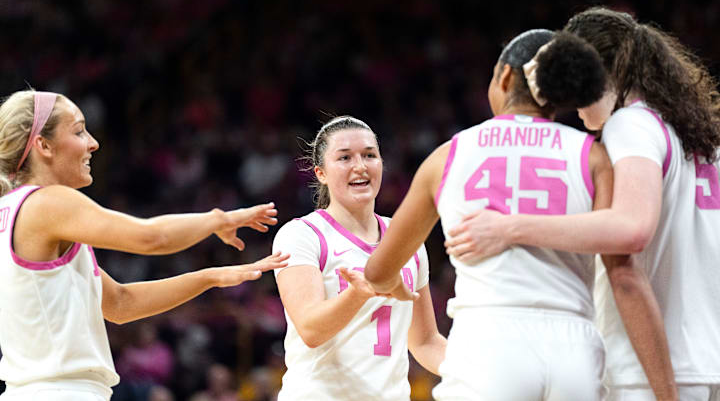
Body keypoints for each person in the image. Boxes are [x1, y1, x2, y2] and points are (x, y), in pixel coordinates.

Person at [444, 7, 720, 401]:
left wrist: (509, 227)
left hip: (651, 372)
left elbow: (632, 230)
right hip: (707, 362)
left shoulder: (631, 124)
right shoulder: (698, 137)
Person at [364, 29, 613, 400]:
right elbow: (617, 261)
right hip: (574, 342)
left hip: (489, 339)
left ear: (506, 77)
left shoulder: (448, 156)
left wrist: (392, 284)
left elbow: (378, 272)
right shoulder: (592, 155)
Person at [0, 90, 289, 401]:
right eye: (79, 130)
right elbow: (151, 237)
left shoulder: (16, 209)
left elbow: (121, 305)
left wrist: (211, 277)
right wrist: (218, 219)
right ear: (43, 145)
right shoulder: (47, 202)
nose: (93, 143)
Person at [272, 115, 447, 401]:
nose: (360, 166)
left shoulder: (406, 238)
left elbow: (425, 341)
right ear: (321, 173)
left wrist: (473, 373)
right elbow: (310, 329)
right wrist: (359, 292)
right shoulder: (302, 235)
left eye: (369, 155)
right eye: (344, 158)